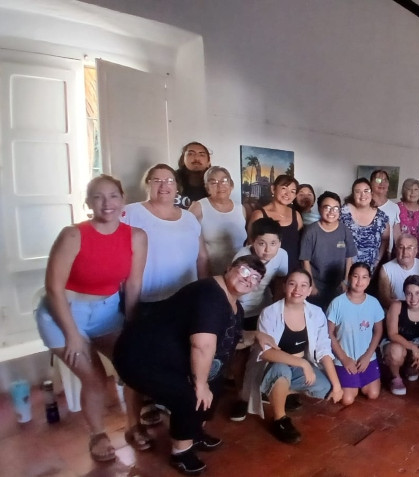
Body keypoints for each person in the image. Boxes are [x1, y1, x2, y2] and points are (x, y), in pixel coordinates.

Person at [113, 256, 266, 475]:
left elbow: (229, 337)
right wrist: (200, 385)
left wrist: (256, 335)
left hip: (170, 352)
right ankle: (180, 453)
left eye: (255, 278)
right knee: (191, 393)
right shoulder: (211, 296)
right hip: (141, 356)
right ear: (229, 267)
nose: (248, 279)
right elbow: (202, 345)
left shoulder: (234, 306)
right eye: (244, 271)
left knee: (213, 382)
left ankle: (193, 433)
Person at [35, 175, 147, 462]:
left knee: (133, 364)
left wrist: (132, 323)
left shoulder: (136, 236)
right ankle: (97, 434)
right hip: (62, 314)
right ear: (88, 202)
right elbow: (53, 288)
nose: (107, 203)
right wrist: (72, 334)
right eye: (98, 197)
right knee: (95, 378)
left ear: (123, 199)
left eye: (113, 195)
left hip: (106, 313)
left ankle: (134, 425)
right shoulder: (73, 235)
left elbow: (133, 284)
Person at [250, 269, 344, 444]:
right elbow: (267, 352)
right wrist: (303, 364)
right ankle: (280, 419)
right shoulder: (270, 312)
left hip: (300, 364)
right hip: (275, 363)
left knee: (327, 388)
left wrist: (337, 386)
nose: (297, 290)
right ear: (284, 286)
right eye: (292, 284)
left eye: (303, 285)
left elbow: (323, 348)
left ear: (309, 290)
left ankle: (279, 392)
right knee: (281, 370)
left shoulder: (316, 313)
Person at [229, 219, 289, 422]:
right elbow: (232, 288)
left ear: (280, 243)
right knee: (240, 355)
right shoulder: (242, 257)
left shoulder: (282, 255)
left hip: (263, 309)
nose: (267, 250)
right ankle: (241, 397)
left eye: (273, 244)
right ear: (252, 242)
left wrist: (276, 311)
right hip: (240, 309)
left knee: (261, 353)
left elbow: (279, 283)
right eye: (261, 243)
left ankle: (258, 390)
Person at [122, 164, 208, 305]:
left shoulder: (190, 218)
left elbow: (202, 258)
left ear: (176, 186)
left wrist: (204, 292)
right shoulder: (130, 213)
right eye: (157, 181)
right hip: (147, 300)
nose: (163, 186)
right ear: (148, 184)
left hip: (187, 297)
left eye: (169, 181)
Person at [326, 263, 384, 406]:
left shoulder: (374, 303)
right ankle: (348, 381)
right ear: (349, 277)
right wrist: (344, 359)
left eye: (364, 277)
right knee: (347, 400)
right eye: (356, 276)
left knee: (373, 394)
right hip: (344, 357)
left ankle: (360, 382)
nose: (359, 281)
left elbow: (378, 331)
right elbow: (329, 333)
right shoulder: (337, 303)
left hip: (367, 357)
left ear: (369, 280)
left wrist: (367, 356)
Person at [300, 191, 358, 310]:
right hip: (317, 286)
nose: (332, 212)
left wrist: (346, 281)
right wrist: (311, 285)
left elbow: (349, 258)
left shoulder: (344, 230)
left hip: (339, 286)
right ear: (319, 209)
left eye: (336, 208)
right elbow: (305, 261)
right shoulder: (310, 231)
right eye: (327, 207)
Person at [383, 275, 419, 396]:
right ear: (404, 294)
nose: (414, 298)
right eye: (409, 293)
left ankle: (409, 366)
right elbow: (392, 334)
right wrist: (412, 347)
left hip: (416, 346)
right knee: (396, 352)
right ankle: (395, 377)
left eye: (418, 293)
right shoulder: (396, 306)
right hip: (396, 344)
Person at [189, 166, 247, 276]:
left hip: (239, 274)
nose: (220, 185)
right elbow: (189, 246)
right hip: (211, 274)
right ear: (207, 188)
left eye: (224, 180)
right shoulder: (199, 207)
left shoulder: (240, 209)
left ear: (231, 184)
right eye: (213, 182)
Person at [248, 174, 303, 275]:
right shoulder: (259, 214)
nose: (287, 194)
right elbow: (250, 244)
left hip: (293, 269)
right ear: (273, 189)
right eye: (284, 188)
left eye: (292, 191)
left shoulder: (296, 215)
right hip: (266, 271)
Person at [340, 178, 390, 274]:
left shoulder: (381, 217)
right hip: (344, 268)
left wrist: (378, 260)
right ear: (353, 195)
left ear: (371, 193)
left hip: (369, 270)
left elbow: (385, 239)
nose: (362, 195)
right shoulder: (343, 212)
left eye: (366, 191)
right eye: (358, 192)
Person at [378, 234, 419, 308]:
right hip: (396, 310)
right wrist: (406, 311)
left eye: (409, 248)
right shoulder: (386, 269)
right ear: (396, 250)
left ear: (416, 250)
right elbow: (385, 299)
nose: (405, 252)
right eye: (401, 247)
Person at [396, 178, 419, 260]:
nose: (413, 192)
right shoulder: (397, 208)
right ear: (404, 192)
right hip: (402, 253)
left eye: (416, 189)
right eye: (409, 189)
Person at [370, 169, 400, 255]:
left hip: (386, 254)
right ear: (371, 183)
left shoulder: (394, 207)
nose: (382, 183)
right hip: (365, 253)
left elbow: (397, 234)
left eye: (385, 180)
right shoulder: (365, 204)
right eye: (378, 180)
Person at [174, 141, 211, 209]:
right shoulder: (171, 179)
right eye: (190, 154)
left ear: (208, 162)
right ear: (183, 160)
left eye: (202, 155)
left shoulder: (217, 182)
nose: (196, 158)